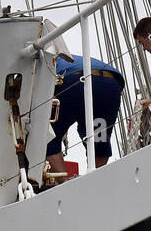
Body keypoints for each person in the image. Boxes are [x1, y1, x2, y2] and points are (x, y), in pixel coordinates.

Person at [45, 54, 124, 182]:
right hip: (111, 83)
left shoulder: (45, 61)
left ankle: (66, 187)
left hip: (74, 79)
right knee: (99, 141)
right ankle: (94, 183)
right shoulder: (68, 57)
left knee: (49, 138)